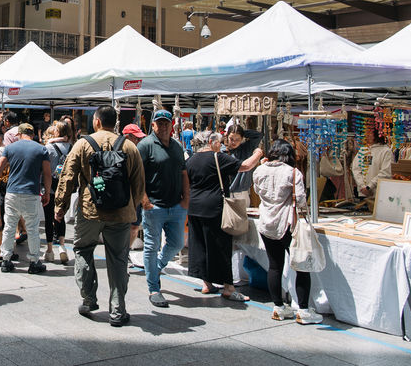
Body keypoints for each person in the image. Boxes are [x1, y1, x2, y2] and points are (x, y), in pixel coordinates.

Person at [54, 105, 145, 327]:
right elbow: (139, 183)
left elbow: (67, 177)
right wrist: (130, 208)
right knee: (118, 260)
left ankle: (88, 299)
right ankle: (117, 310)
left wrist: (60, 206)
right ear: (115, 123)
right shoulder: (129, 147)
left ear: (96, 121)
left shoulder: (83, 144)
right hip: (121, 213)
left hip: (89, 210)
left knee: (84, 250)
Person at [253, 139, 323, 324]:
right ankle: (303, 310)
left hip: (266, 223)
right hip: (287, 225)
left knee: (274, 266)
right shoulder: (293, 173)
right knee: (301, 266)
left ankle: (278, 307)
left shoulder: (260, 170)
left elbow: (257, 190)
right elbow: (300, 199)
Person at [185, 131, 248, 301]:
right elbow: (245, 166)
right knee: (220, 246)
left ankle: (207, 283)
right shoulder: (216, 158)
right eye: (219, 142)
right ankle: (228, 286)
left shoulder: (190, 160)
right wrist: (258, 153)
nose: (221, 145)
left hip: (194, 207)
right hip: (214, 207)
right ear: (212, 142)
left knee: (201, 245)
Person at [138, 109, 190, 309]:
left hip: (176, 206)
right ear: (153, 125)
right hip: (154, 207)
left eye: (166, 123)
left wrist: (186, 198)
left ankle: (157, 268)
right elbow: (138, 174)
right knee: (151, 246)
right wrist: (144, 200)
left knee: (177, 244)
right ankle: (153, 288)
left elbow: (184, 173)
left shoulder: (177, 146)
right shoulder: (145, 146)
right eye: (159, 123)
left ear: (172, 125)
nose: (163, 126)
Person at [0, 123, 52, 274]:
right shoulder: (41, 149)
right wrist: (47, 192)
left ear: (19, 134)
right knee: (32, 228)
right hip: (31, 192)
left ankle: (6, 260)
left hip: (12, 192)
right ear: (32, 134)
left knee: (10, 226)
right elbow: (47, 173)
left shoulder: (10, 148)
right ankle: (34, 261)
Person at [42, 120, 72, 265]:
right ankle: (61, 246)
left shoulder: (48, 147)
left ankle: (49, 250)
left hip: (50, 186)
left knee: (49, 217)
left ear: (58, 132)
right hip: (65, 187)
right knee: (61, 216)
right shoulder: (72, 147)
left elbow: (43, 169)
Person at [122, 123, 147, 267]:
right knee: (124, 226)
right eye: (135, 138)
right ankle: (121, 255)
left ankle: (125, 253)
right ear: (127, 137)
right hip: (124, 196)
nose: (138, 141)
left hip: (136, 196)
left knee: (134, 226)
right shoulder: (120, 150)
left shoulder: (138, 151)